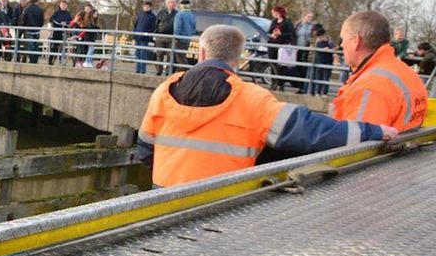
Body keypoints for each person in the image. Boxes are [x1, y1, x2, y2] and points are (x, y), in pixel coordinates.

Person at [138, 25, 395, 188]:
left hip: (162, 199)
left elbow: (145, 149)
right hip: (221, 203)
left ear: (202, 53)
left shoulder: (164, 91)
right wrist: (371, 131)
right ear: (237, 59)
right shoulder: (253, 99)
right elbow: (310, 130)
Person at [332, 10, 428, 131]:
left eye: (343, 39)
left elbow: (356, 144)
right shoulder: (406, 72)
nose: (342, 45)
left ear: (355, 41)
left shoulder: (369, 88)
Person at [267, 5, 296, 91]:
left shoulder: (287, 22)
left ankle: (281, 84)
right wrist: (272, 35)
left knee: (282, 65)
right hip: (272, 44)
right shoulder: (274, 22)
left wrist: (281, 34)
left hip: (282, 46)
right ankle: (274, 82)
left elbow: (291, 34)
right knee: (273, 64)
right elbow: (269, 31)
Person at [154, 0, 178, 75]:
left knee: (170, 55)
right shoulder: (161, 12)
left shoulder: (177, 14)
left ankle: (168, 71)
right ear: (167, 3)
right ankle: (159, 70)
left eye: (175, 2)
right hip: (161, 36)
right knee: (159, 54)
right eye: (172, 2)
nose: (174, 4)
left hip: (172, 37)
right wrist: (155, 34)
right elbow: (157, 23)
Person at [309, 26, 335, 96]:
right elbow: (316, 48)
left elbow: (335, 48)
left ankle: (324, 92)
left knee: (326, 78)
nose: (319, 39)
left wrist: (329, 49)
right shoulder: (318, 42)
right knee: (318, 77)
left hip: (328, 61)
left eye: (320, 37)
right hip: (319, 61)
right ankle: (318, 92)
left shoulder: (329, 41)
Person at [133, 0, 157, 74]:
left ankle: (143, 70)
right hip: (138, 37)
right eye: (145, 6)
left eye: (147, 6)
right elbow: (135, 25)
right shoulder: (140, 14)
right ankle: (137, 69)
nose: (145, 8)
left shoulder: (153, 16)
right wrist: (134, 36)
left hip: (145, 38)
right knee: (137, 54)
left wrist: (148, 34)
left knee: (143, 54)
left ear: (150, 7)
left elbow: (153, 27)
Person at [172, 0, 196, 70]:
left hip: (180, 39)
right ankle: (180, 73)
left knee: (180, 58)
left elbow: (178, 27)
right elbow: (194, 28)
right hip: (188, 39)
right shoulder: (192, 15)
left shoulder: (179, 14)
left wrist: (176, 37)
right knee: (183, 56)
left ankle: (185, 72)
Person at [20, 0, 44, 64]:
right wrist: (38, 27)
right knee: (36, 45)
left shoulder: (26, 9)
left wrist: (23, 27)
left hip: (29, 30)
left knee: (30, 46)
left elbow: (23, 20)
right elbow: (41, 22)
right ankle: (35, 60)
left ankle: (31, 60)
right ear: (36, 2)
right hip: (36, 30)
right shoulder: (40, 10)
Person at [49, 0, 72, 65]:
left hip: (64, 33)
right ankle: (51, 60)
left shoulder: (68, 14)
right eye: (62, 5)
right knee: (54, 47)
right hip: (57, 32)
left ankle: (61, 61)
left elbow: (71, 21)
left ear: (67, 6)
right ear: (60, 5)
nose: (63, 6)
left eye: (65, 5)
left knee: (63, 47)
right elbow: (52, 20)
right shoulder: (56, 13)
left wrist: (66, 23)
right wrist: (60, 22)